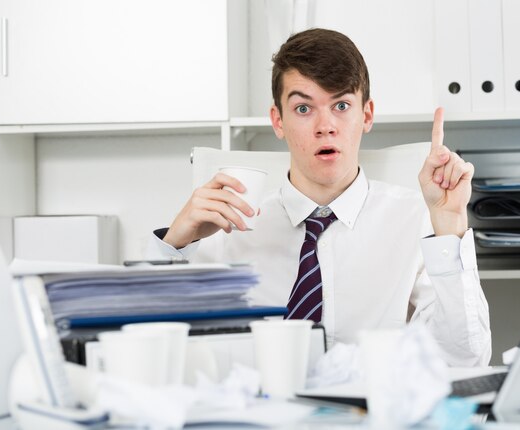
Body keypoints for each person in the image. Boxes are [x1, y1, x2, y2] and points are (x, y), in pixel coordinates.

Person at [147, 28, 491, 366]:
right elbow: (153, 350)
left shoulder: (417, 220)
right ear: (277, 121)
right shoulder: (228, 225)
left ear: (367, 115)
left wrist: (451, 230)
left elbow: (463, 357)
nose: (325, 126)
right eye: (303, 109)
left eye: (341, 105)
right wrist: (174, 243)